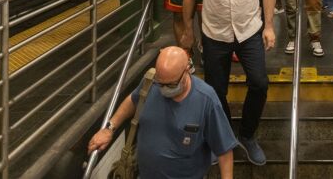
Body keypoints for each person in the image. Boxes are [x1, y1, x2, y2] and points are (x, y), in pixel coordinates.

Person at [181, 0, 276, 166]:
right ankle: (222, 138)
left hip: (249, 30)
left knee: (259, 83)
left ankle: (247, 134)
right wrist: (189, 30)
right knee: (215, 91)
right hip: (214, 33)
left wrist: (269, 26)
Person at [87, 46, 237, 179]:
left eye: (170, 84)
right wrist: (110, 128)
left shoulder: (206, 99)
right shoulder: (150, 82)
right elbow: (133, 101)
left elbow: (224, 152)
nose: (163, 88)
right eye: (161, 83)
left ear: (186, 71)